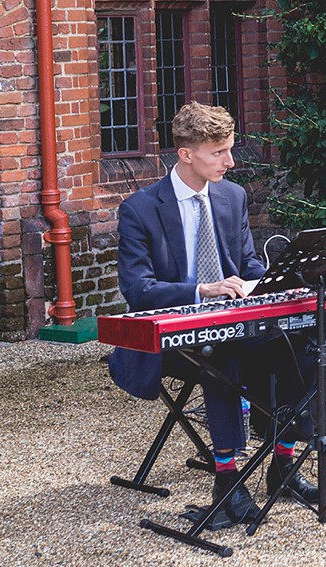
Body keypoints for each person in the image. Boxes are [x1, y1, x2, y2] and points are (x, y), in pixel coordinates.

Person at [108, 101, 313, 527]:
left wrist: (273, 284)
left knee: (302, 338)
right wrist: (202, 290)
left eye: (230, 149)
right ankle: (227, 480)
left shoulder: (231, 196)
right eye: (218, 152)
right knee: (221, 354)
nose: (231, 161)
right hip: (168, 337)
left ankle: (283, 464)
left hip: (232, 321)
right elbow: (137, 289)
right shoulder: (140, 209)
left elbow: (246, 264)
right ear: (186, 154)